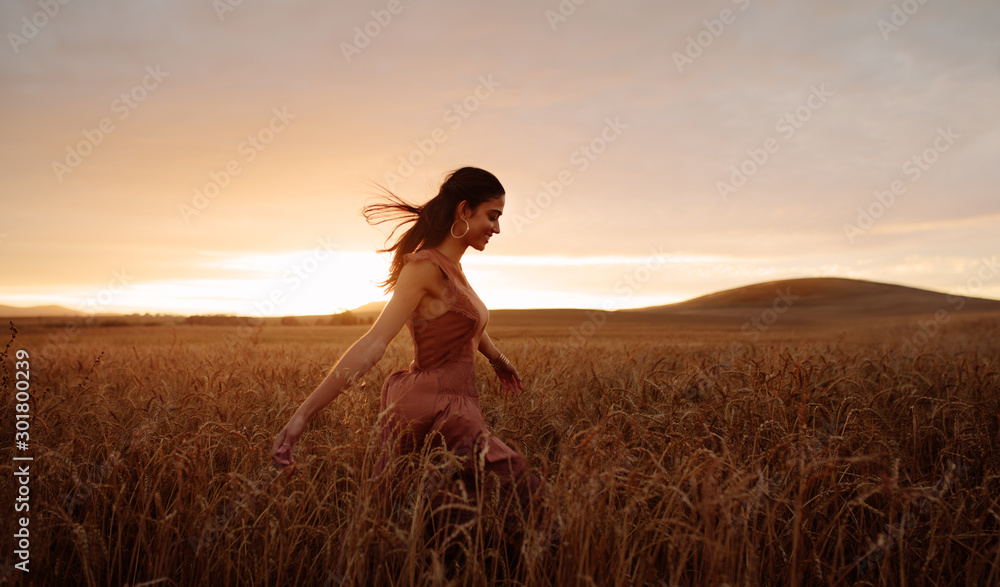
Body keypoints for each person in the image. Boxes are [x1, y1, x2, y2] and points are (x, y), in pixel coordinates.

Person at [271, 166, 538, 504]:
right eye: (492, 215)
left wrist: (498, 360)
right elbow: (374, 342)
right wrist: (302, 416)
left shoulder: (452, 270)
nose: (497, 228)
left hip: (456, 403)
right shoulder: (425, 267)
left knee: (452, 516)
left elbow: (468, 326)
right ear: (463, 210)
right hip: (439, 405)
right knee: (522, 488)